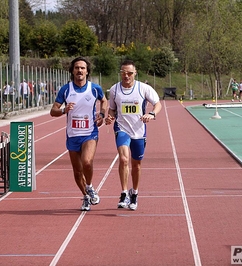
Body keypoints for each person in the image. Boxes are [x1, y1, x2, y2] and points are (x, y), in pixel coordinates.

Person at [50, 56, 107, 211]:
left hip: (89, 132)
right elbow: (52, 111)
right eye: (76, 68)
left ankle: (89, 186)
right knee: (77, 170)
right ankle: (86, 196)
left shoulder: (95, 88)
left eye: (82, 68)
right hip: (73, 134)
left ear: (87, 71)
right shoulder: (66, 89)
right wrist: (64, 110)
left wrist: (101, 115)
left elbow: (104, 101)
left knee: (87, 162)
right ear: (72, 71)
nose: (79, 70)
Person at [105, 60, 162, 211]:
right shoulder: (114, 90)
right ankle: (124, 193)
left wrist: (151, 114)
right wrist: (110, 117)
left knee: (136, 165)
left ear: (135, 73)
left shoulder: (143, 88)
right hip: (122, 129)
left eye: (129, 73)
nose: (126, 76)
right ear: (120, 73)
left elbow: (158, 104)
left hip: (139, 131)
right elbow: (111, 109)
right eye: (123, 72)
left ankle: (134, 193)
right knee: (124, 159)